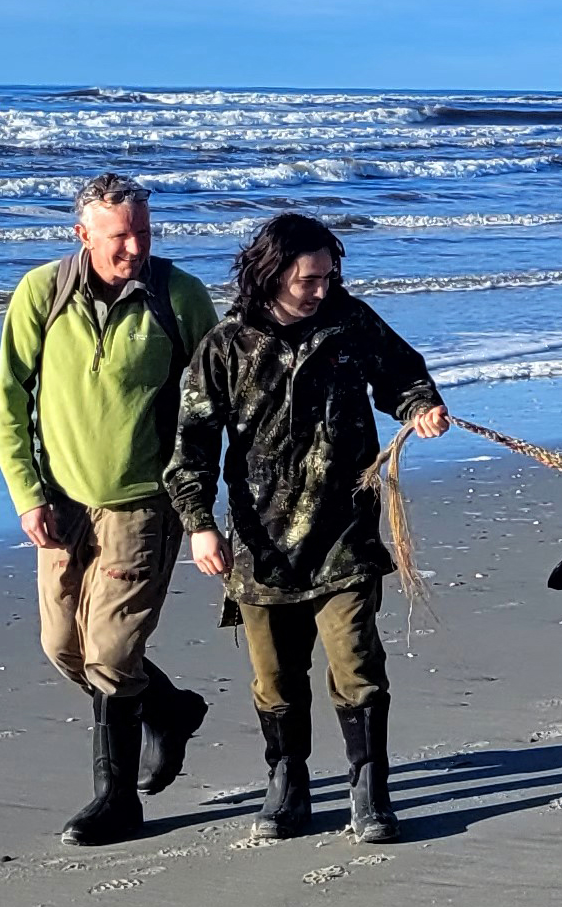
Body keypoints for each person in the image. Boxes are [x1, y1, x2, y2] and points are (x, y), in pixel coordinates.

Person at [166, 212, 449, 843]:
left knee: (356, 663)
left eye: (330, 274)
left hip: (345, 532)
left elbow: (402, 375)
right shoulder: (225, 347)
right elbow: (191, 445)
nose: (323, 288)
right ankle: (287, 784)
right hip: (259, 545)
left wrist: (421, 405)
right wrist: (199, 526)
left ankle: (369, 791)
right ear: (271, 275)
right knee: (275, 678)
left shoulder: (351, 324)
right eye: (309, 279)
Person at [0, 171, 220, 845]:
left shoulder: (179, 297)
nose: (133, 247)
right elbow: (10, 402)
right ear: (82, 234)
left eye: (143, 232)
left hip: (144, 505)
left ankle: (116, 801)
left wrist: (202, 506)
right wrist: (27, 494)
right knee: (63, 647)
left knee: (113, 655)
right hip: (61, 504)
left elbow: (214, 404)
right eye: (119, 235)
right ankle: (171, 710)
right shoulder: (42, 292)